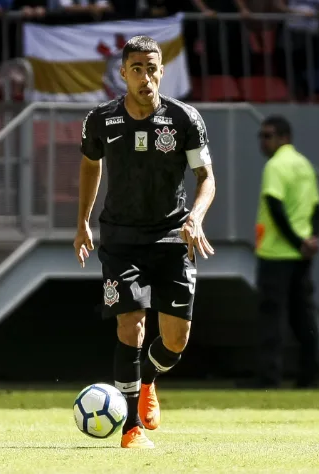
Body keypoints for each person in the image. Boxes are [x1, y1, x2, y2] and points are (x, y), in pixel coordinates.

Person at [74, 35, 215, 449]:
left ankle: (149, 379)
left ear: (161, 71)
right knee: (130, 324)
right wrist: (82, 221)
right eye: (136, 69)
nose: (145, 77)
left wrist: (196, 217)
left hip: (172, 237)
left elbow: (205, 178)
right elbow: (89, 165)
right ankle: (131, 427)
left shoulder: (184, 119)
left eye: (151, 69)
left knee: (175, 341)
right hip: (120, 239)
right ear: (123, 73)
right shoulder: (101, 119)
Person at [248, 115, 319, 389]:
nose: (263, 142)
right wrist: (311, 240)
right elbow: (316, 210)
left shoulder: (276, 166)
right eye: (261, 136)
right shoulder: (304, 164)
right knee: (303, 316)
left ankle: (269, 377)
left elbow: (275, 208)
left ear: (283, 138)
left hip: (276, 254)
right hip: (301, 257)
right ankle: (309, 376)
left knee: (271, 318)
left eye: (268, 136)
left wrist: (295, 243)